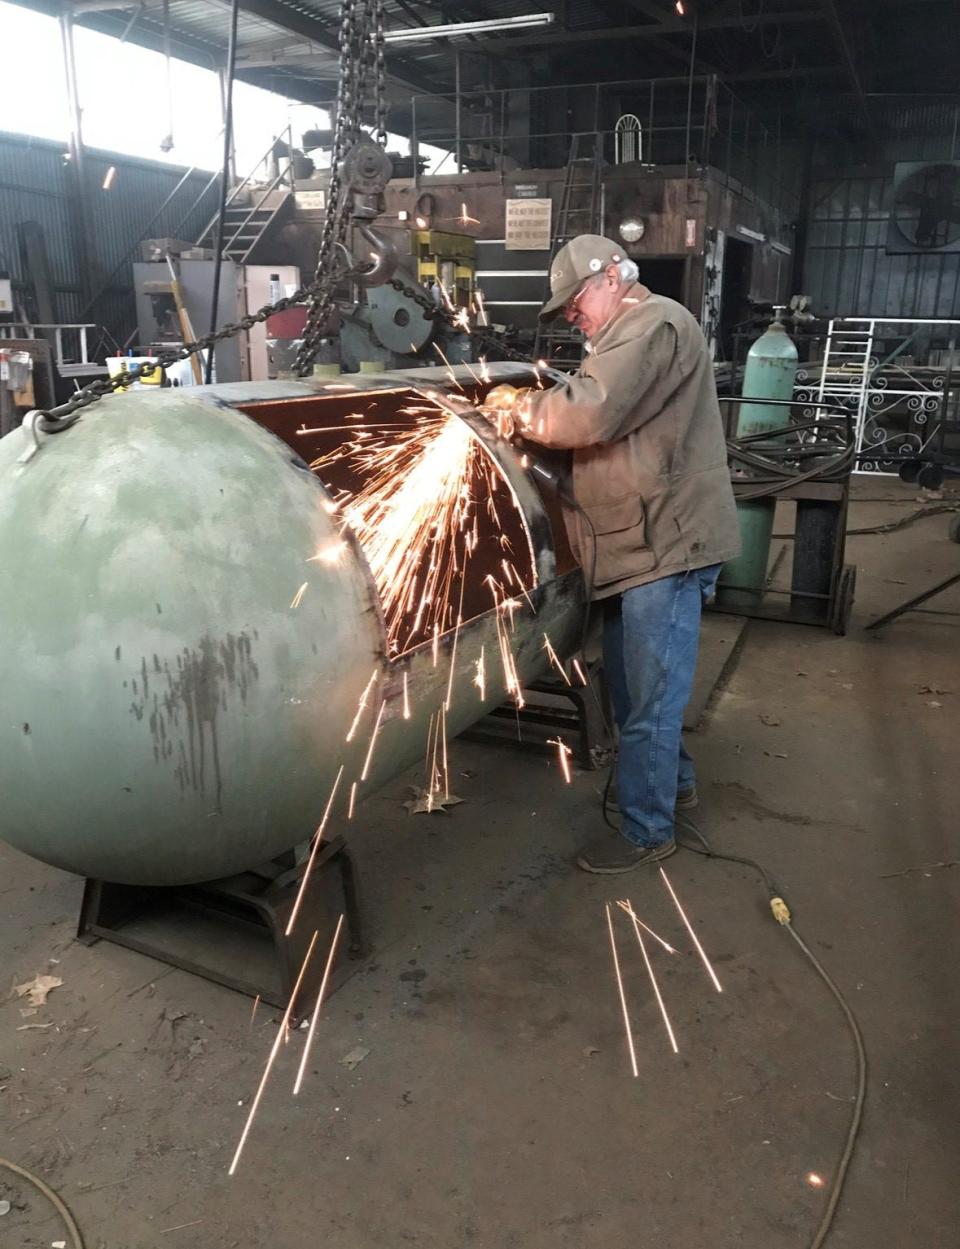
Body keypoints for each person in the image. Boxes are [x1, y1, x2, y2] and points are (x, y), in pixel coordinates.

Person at [486, 235, 740, 874]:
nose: (572, 316)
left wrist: (518, 410)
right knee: (634, 693)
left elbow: (590, 414)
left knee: (649, 700)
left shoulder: (654, 325)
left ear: (612, 278)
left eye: (575, 302)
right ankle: (673, 784)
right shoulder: (622, 335)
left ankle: (647, 830)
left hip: (667, 544)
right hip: (638, 544)